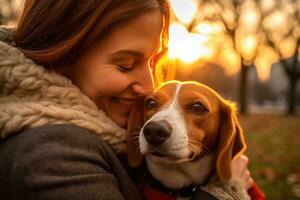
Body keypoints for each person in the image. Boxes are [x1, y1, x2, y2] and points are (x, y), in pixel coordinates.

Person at [0, 0, 253, 199]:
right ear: (61, 56)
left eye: (154, 62)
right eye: (126, 64)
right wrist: (226, 192)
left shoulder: (109, 132)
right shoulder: (51, 153)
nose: (149, 87)